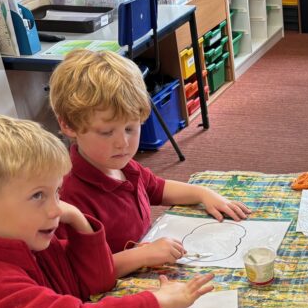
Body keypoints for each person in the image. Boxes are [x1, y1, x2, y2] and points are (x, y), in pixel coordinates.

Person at [0, 114, 213, 308]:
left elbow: (95, 281)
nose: (55, 209)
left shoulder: (26, 239)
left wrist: (79, 220)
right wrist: (155, 302)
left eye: (56, 193)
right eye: (37, 196)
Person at [50, 49, 250, 276]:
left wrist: (202, 193)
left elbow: (158, 188)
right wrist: (141, 255)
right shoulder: (68, 195)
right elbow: (80, 273)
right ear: (68, 126)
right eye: (106, 132)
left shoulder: (122, 166)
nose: (122, 143)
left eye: (130, 128)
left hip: (148, 266)